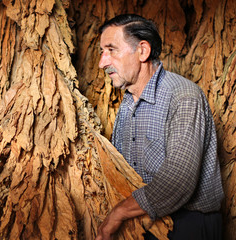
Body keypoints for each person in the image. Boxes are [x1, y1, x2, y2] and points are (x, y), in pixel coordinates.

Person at [95, 14, 224, 240]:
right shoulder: (127, 103)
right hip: (143, 223)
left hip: (187, 226)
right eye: (101, 52)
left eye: (111, 50)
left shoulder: (183, 97)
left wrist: (118, 214)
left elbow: (177, 182)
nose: (102, 62)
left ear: (143, 51)